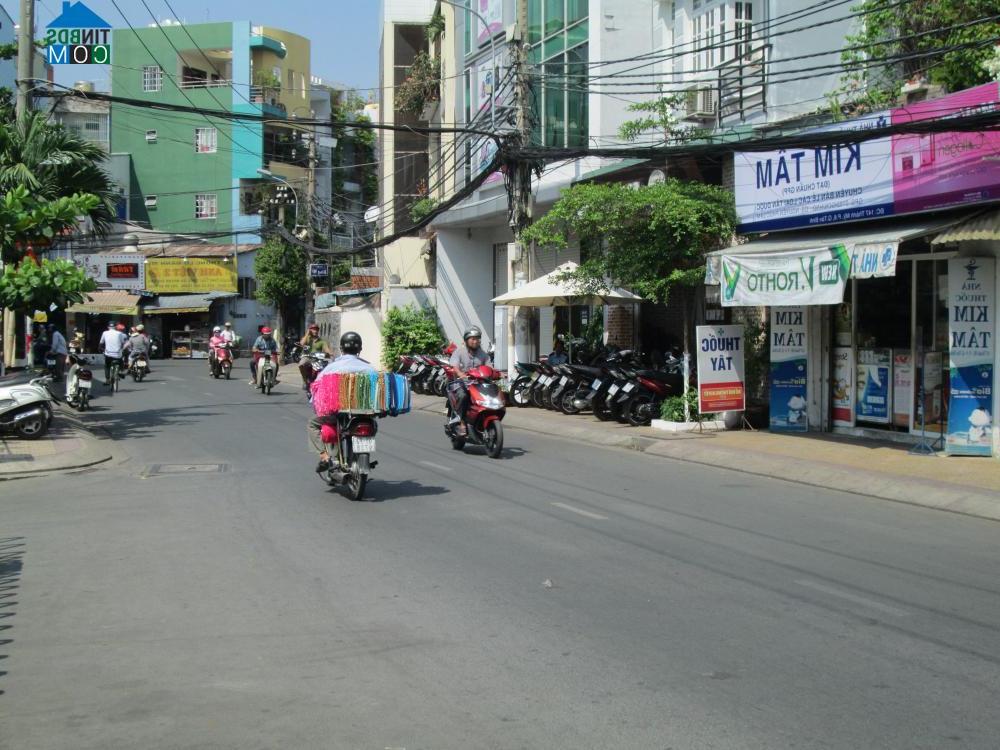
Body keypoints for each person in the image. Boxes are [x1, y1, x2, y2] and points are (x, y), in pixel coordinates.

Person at [308, 331, 375, 472]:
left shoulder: (331, 367)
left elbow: (317, 389)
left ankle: (325, 457)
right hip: (364, 414)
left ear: (341, 349)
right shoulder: (370, 369)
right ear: (360, 349)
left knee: (313, 423)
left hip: (338, 413)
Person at [447, 327, 491, 437]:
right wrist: (460, 374)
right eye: (472, 339)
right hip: (461, 383)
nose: (475, 341)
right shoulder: (459, 352)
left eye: (477, 339)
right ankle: (461, 422)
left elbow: (490, 368)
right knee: (463, 396)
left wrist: (497, 373)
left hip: (478, 384)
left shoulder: (483, 355)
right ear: (466, 340)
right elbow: (455, 366)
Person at [297, 323, 333, 391]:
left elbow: (326, 349)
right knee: (301, 364)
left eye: (316, 329)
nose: (315, 331)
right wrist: (307, 334)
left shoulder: (322, 341)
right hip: (307, 357)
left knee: (324, 369)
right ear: (310, 330)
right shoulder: (307, 339)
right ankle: (305, 381)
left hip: (317, 359)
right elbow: (302, 343)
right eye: (313, 329)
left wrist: (330, 353)